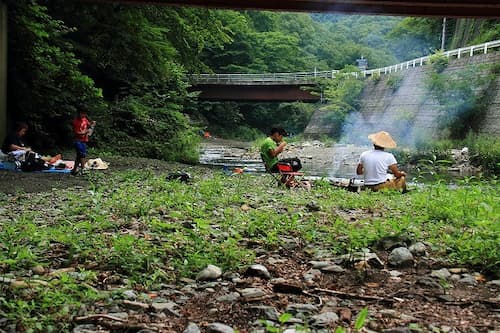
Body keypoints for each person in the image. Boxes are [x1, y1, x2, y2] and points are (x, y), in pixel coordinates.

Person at [71, 109, 96, 175]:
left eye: (84, 114)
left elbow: (89, 125)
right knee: (82, 154)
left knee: (79, 155)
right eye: (82, 113)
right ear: (79, 113)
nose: (83, 115)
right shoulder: (75, 122)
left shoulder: (85, 119)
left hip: (84, 140)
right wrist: (85, 132)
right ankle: (83, 169)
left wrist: (92, 124)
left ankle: (74, 170)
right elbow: (76, 133)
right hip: (77, 140)